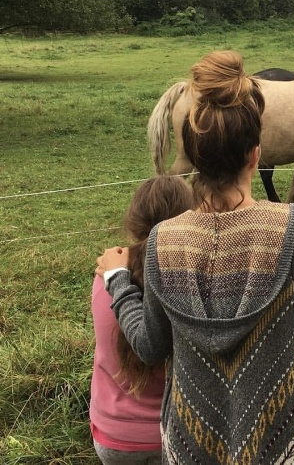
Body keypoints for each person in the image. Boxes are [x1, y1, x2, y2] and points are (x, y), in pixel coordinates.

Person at [96, 49, 294, 465]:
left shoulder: (162, 241)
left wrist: (119, 282)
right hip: (281, 445)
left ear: (195, 156)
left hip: (191, 447)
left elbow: (150, 347)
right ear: (255, 154)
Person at [90, 175, 194, 465]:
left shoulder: (103, 279)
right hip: (174, 433)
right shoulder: (190, 285)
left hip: (113, 435)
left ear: (133, 221)